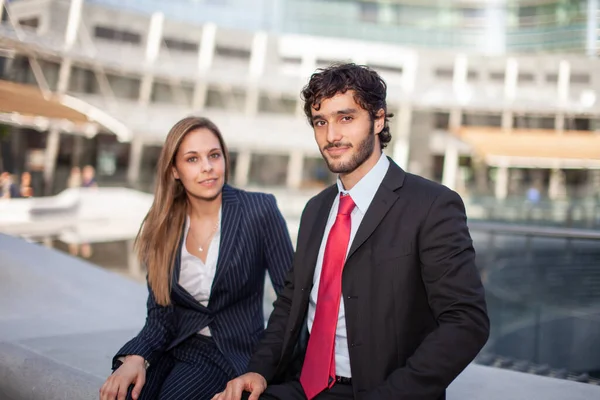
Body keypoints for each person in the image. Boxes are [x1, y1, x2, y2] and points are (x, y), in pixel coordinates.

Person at [213, 64, 489, 400]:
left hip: (380, 391)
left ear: (378, 120)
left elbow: (466, 322)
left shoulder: (431, 205)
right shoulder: (316, 209)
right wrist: (258, 370)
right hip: (301, 386)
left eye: (346, 118)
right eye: (320, 122)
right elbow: (289, 303)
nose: (331, 136)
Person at [99, 116, 294, 400]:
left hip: (228, 350)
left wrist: (266, 367)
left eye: (214, 155)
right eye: (192, 159)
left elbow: (290, 299)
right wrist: (136, 356)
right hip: (172, 344)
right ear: (175, 170)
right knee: (122, 394)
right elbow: (160, 314)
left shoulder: (258, 210)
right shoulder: (162, 225)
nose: (207, 167)